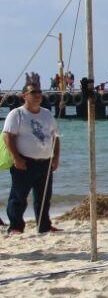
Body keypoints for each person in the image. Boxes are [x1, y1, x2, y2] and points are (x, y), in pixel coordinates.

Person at [4, 83, 61, 234]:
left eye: (39, 92)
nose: (38, 95)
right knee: (18, 197)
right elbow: (7, 136)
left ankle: (44, 226)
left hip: (45, 162)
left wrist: (55, 159)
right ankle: (15, 227)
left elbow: (55, 137)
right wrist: (16, 158)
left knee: (43, 198)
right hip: (24, 161)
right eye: (33, 92)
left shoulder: (47, 114)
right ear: (25, 96)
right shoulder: (17, 114)